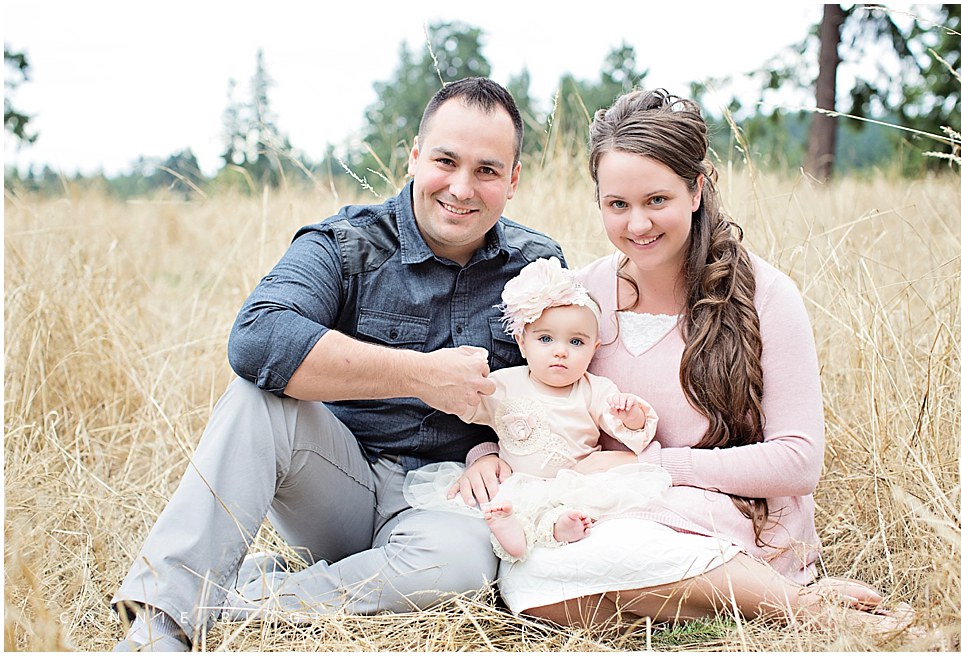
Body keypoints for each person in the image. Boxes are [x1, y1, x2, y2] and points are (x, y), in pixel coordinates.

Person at [110, 77, 565, 652]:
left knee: (462, 571)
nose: (461, 187)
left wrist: (494, 450)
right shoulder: (347, 244)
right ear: (415, 157)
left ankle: (235, 603)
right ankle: (160, 627)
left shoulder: (536, 266)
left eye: (487, 170)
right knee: (257, 399)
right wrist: (420, 375)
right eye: (445, 161)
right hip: (335, 484)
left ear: (514, 180)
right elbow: (257, 336)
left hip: (446, 501)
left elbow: (561, 385)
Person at [452, 88, 916, 636]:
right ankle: (727, 602)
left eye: (657, 201)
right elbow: (533, 393)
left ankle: (795, 606)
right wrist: (486, 451)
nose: (637, 225)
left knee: (592, 558)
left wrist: (657, 466)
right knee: (530, 573)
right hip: (607, 514)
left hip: (727, 516)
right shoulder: (579, 296)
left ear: (696, 190)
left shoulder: (765, 295)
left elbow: (798, 461)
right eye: (617, 205)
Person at [402, 257, 672, 562]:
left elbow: (632, 431)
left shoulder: (595, 390)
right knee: (513, 510)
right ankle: (511, 537)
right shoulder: (503, 384)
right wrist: (452, 377)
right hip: (518, 483)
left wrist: (630, 415)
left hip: (573, 482)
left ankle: (560, 529)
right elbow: (464, 403)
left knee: (565, 511)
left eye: (576, 342)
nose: (560, 350)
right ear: (522, 343)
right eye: (545, 338)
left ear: (594, 348)